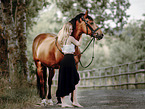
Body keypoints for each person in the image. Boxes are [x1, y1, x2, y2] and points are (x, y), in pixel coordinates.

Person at [56, 22, 83, 108]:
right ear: (67, 29)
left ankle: (64, 103)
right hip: (70, 59)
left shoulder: (61, 38)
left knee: (63, 80)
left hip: (64, 60)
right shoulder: (70, 38)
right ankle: (75, 101)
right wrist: (81, 36)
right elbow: (78, 44)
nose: (71, 31)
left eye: (72, 29)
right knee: (75, 78)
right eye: (70, 29)